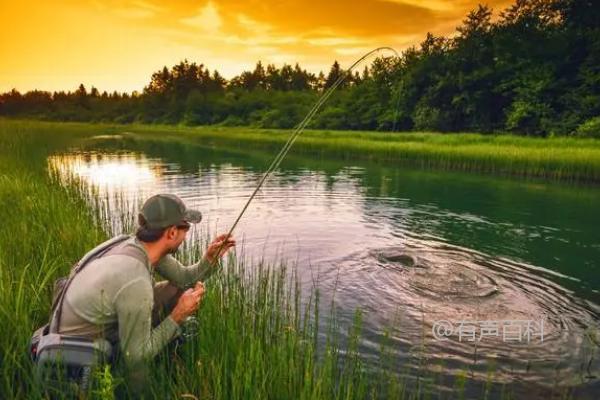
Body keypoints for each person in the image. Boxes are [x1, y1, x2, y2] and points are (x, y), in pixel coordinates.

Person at [53, 193, 235, 393]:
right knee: (139, 361)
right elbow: (135, 356)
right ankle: (138, 393)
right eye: (186, 228)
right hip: (78, 352)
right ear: (172, 232)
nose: (187, 235)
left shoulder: (136, 245)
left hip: (86, 324)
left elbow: (184, 279)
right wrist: (178, 315)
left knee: (177, 289)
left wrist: (210, 258)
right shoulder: (135, 280)